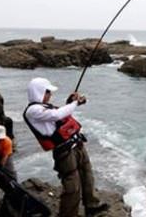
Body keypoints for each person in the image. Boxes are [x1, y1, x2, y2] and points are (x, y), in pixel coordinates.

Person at [23, 77, 107, 217]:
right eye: (48, 91)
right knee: (72, 186)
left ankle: (92, 206)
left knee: (87, 175)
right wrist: (74, 103)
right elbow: (56, 115)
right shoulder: (33, 111)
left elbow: (61, 116)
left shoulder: (44, 107)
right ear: (39, 92)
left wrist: (70, 103)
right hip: (65, 152)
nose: (50, 95)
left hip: (77, 144)